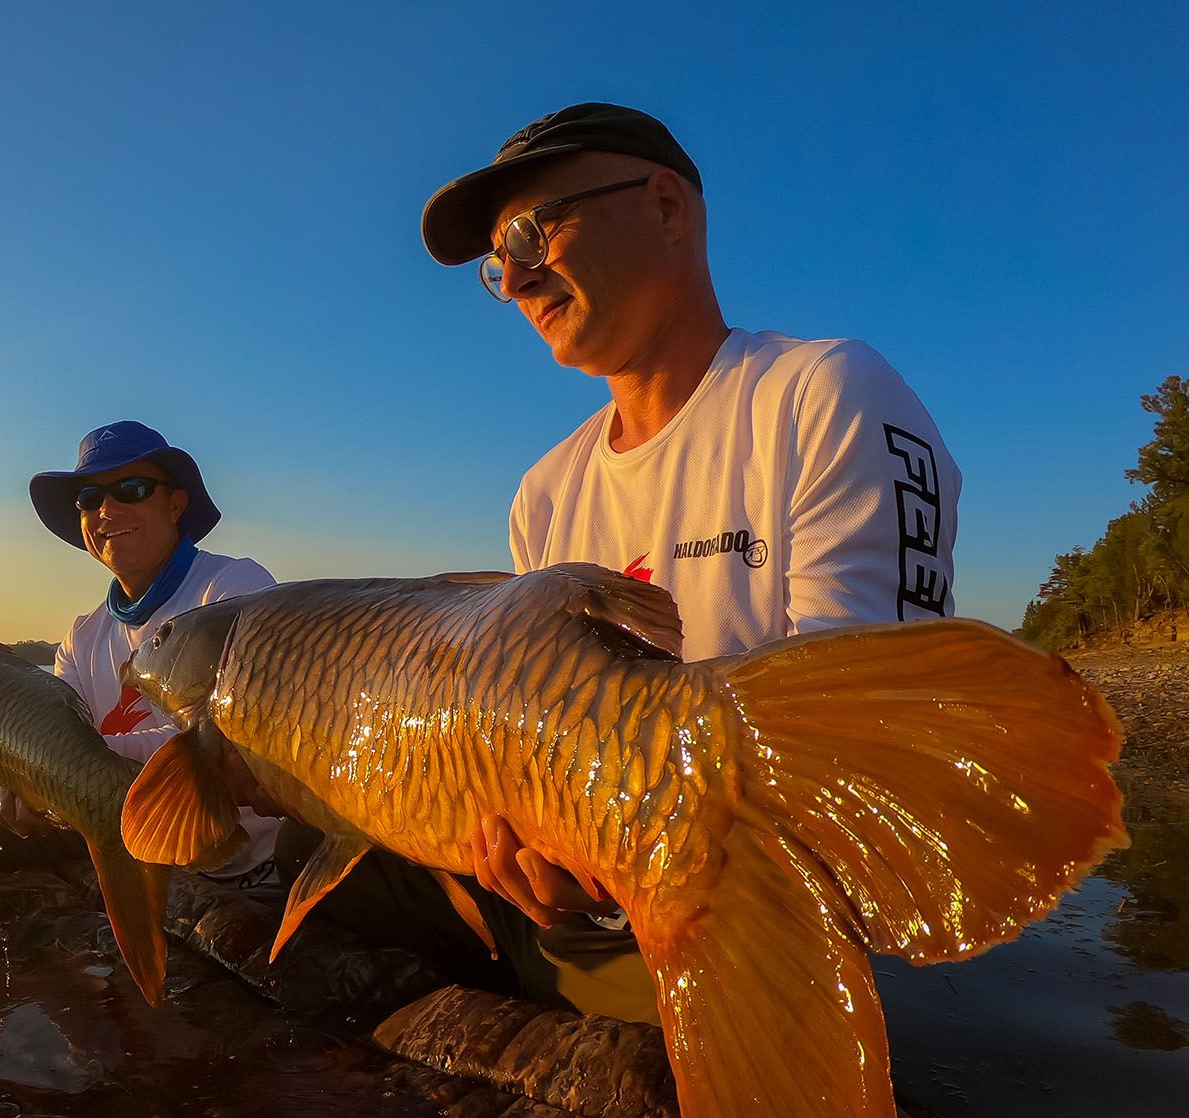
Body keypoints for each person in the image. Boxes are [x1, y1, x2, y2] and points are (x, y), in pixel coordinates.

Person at [377, 102, 963, 1022]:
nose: (519, 278)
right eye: (500, 263)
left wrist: (617, 868)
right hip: (579, 920)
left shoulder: (818, 397)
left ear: (665, 209)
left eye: (533, 232)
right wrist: (527, 848)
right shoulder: (543, 493)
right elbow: (532, 737)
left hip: (751, 937)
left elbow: (863, 765)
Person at [0, 420, 282, 885]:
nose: (107, 510)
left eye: (131, 488)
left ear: (175, 504)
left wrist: (61, 763)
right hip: (118, 823)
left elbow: (231, 738)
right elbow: (44, 732)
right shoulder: (82, 637)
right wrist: (16, 781)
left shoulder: (231, 590)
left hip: (237, 855)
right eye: (89, 498)